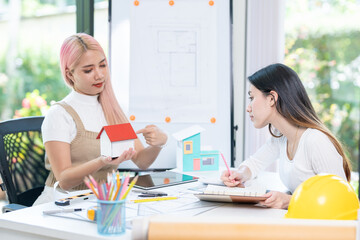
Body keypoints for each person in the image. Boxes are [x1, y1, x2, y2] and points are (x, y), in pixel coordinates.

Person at [34, 33, 168, 205]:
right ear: (70, 74)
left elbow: (141, 161)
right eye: (88, 70)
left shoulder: (112, 109)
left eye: (102, 65)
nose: (99, 75)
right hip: (62, 202)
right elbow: (64, 180)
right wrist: (101, 161)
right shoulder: (60, 115)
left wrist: (159, 144)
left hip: (102, 200)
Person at [221, 63, 351, 209]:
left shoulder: (315, 141)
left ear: (272, 98)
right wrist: (239, 174)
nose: (248, 108)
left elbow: (341, 199)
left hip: (323, 229)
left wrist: (289, 200)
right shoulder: (281, 137)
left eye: (252, 98)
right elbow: (255, 163)